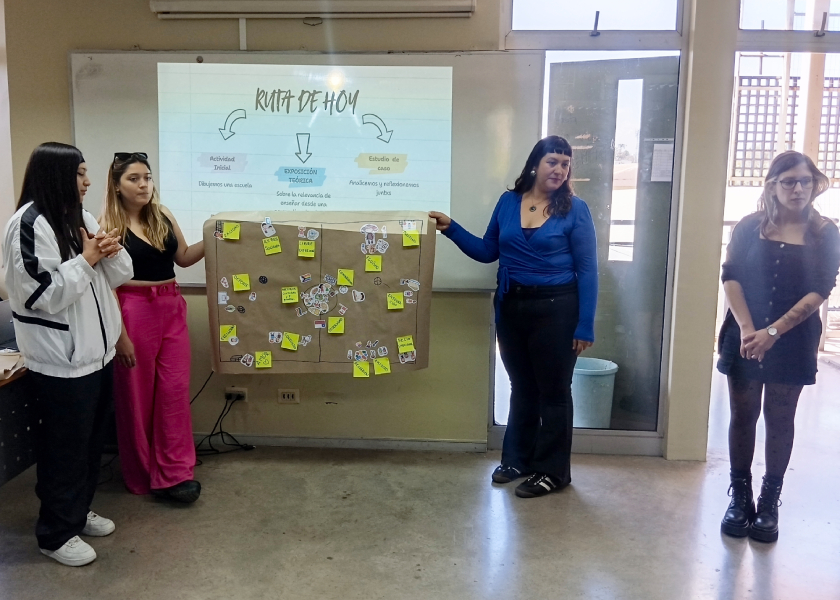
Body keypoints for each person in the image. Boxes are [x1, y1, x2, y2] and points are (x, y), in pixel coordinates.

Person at [430, 135, 598, 498]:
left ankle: (552, 472)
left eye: (565, 164)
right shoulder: (508, 202)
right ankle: (517, 460)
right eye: (553, 161)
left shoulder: (575, 209)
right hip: (511, 305)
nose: (559, 169)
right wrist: (451, 228)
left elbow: (587, 270)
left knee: (554, 392)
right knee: (522, 386)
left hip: (557, 309)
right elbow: (487, 250)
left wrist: (585, 324)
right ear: (535, 164)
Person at [3, 142, 133, 566]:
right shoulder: (27, 224)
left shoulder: (80, 216)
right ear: (55, 174)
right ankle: (56, 533)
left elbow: (119, 276)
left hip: (97, 356)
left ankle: (78, 511)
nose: (88, 182)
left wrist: (110, 251)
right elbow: (42, 295)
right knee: (64, 450)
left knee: (90, 445)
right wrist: (88, 258)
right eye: (79, 173)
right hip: (60, 363)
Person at [718, 151, 840, 542]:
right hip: (744, 335)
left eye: (805, 181)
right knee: (743, 414)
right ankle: (740, 498)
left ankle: (769, 502)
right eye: (789, 181)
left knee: (780, 418)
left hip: (793, 339)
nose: (798, 189)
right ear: (772, 186)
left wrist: (774, 332)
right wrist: (749, 329)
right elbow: (731, 276)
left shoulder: (825, 232)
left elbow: (821, 287)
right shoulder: (749, 226)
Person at [100, 152, 205, 503]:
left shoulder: (163, 215)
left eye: (147, 177)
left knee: (174, 391)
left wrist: (214, 234)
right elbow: (106, 286)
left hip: (171, 306)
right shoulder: (106, 226)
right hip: (133, 310)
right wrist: (120, 337)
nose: (144, 185)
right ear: (117, 185)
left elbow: (184, 257)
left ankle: (175, 473)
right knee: (137, 395)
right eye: (134, 179)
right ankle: (143, 474)